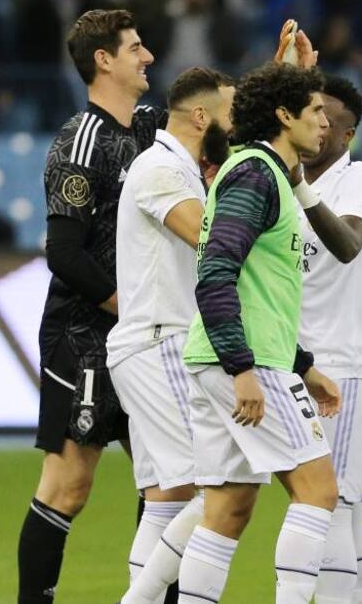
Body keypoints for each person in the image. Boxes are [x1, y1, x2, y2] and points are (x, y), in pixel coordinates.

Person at [177, 62, 343, 604]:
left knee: (227, 507)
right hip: (244, 362)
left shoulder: (259, 171)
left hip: (230, 357)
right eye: (315, 110)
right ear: (284, 116)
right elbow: (215, 271)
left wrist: (303, 365)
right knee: (318, 489)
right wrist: (243, 369)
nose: (325, 121)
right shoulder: (256, 174)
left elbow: (258, 291)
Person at [18, 8, 164, 604]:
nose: (147, 56)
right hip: (84, 338)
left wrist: (282, 77)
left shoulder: (153, 130)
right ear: (103, 60)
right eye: (135, 48)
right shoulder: (80, 141)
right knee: (68, 486)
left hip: (144, 339)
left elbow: (218, 113)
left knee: (169, 486)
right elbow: (64, 252)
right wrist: (129, 307)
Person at [106, 66, 234, 604]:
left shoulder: (180, 167)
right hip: (160, 342)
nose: (238, 124)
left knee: (166, 498)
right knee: (218, 487)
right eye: (232, 112)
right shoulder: (160, 168)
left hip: (153, 344)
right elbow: (209, 237)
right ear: (201, 117)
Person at [296, 75, 362, 604]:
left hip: (349, 366)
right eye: (311, 114)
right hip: (305, 365)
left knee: (329, 503)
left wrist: (299, 185)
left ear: (348, 135)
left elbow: (349, 243)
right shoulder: (284, 180)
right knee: (341, 508)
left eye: (328, 120)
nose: (318, 126)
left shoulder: (360, 180)